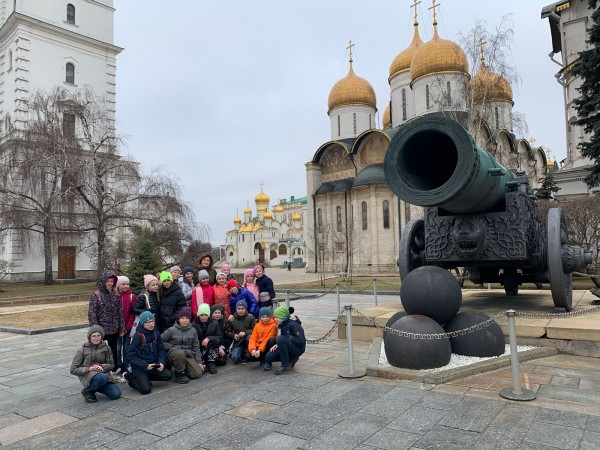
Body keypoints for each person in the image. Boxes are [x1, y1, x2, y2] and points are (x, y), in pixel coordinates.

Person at [124, 311, 172, 394]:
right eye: (148, 322)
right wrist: (145, 365)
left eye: (152, 321)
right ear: (142, 323)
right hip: (140, 368)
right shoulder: (138, 336)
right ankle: (130, 377)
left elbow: (161, 350)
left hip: (153, 365)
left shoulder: (156, 333)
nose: (151, 324)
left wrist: (161, 362)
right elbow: (130, 356)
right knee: (145, 390)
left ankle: (145, 378)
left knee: (168, 375)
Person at [70, 325, 122, 403]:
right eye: (93, 336)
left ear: (102, 337)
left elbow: (111, 365)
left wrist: (101, 366)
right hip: (88, 375)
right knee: (102, 378)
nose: (96, 338)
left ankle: (92, 388)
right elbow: (73, 370)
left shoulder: (107, 348)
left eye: (98, 336)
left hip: (103, 374)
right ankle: (89, 390)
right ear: (89, 338)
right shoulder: (82, 350)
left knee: (116, 394)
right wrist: (89, 368)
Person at [88, 270, 125, 373]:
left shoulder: (115, 294)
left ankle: (114, 369)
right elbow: (92, 313)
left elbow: (119, 311)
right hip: (102, 329)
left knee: (114, 350)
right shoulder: (96, 295)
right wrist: (95, 331)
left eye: (111, 281)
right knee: (101, 350)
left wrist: (122, 327)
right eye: (107, 281)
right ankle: (99, 369)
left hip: (114, 328)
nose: (109, 283)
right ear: (103, 281)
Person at [161, 307, 204, 384]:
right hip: (174, 354)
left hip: (188, 354)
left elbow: (196, 347)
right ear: (179, 319)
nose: (184, 320)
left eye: (187, 318)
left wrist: (199, 362)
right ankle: (179, 373)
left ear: (189, 319)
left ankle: (184, 368)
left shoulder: (193, 331)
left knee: (198, 373)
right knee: (179, 353)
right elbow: (161, 340)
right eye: (182, 318)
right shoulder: (171, 330)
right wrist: (172, 348)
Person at [265, 306, 306, 374]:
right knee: (269, 356)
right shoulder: (283, 325)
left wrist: (288, 337)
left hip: (298, 349)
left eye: (276, 317)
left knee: (280, 338)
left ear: (282, 317)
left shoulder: (294, 325)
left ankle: (285, 365)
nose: (274, 319)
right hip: (290, 347)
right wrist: (278, 344)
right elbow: (284, 338)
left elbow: (301, 342)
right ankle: (291, 359)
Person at [115, 276, 136, 374]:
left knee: (126, 346)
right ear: (118, 285)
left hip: (128, 327)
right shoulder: (114, 296)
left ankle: (126, 364)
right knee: (118, 347)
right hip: (116, 328)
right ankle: (118, 364)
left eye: (127, 284)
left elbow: (132, 314)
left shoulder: (132, 296)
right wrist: (118, 328)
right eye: (123, 284)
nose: (126, 286)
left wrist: (127, 327)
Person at [193, 304, 222, 374]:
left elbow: (219, 336)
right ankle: (203, 361)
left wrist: (208, 338)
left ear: (209, 315)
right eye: (202, 315)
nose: (204, 317)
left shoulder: (214, 323)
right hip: (199, 345)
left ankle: (212, 363)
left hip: (211, 345)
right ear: (198, 315)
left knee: (214, 342)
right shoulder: (193, 325)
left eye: (206, 315)